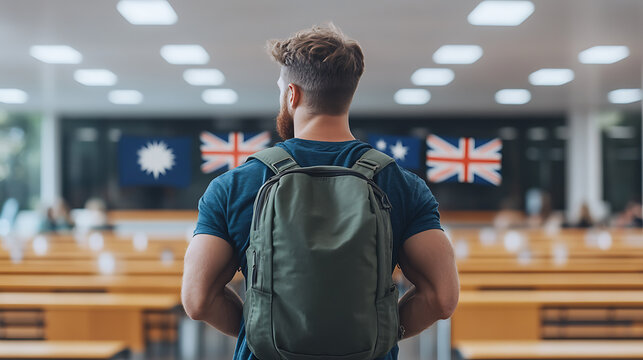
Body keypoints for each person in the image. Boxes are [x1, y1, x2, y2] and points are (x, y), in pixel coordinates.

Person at [182, 24, 459, 360]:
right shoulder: (404, 185)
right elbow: (443, 298)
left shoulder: (232, 186)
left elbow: (197, 300)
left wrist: (261, 327)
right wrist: (383, 330)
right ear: (348, 95)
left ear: (291, 95)